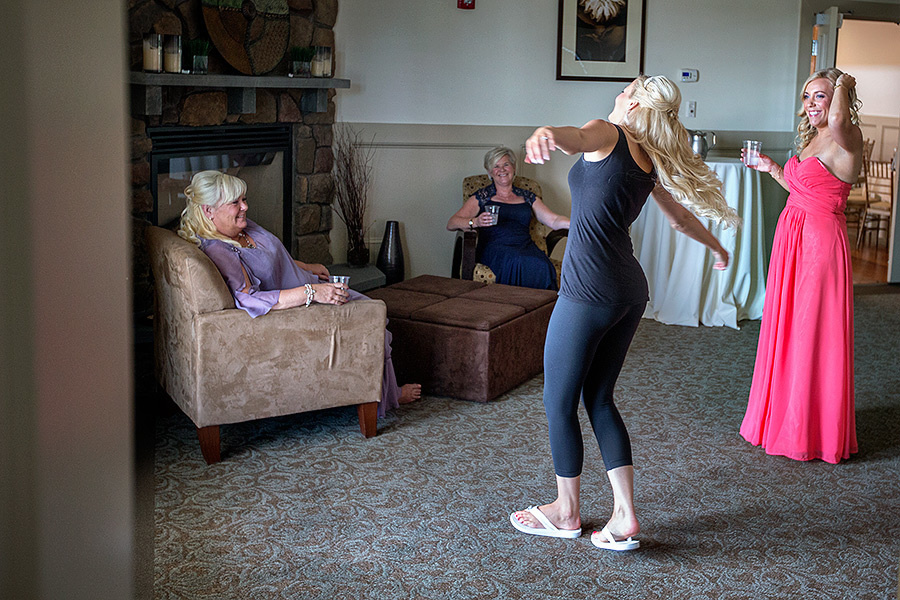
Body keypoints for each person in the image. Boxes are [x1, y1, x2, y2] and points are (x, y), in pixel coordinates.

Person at [508, 75, 739, 551]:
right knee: (598, 398)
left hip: (588, 290)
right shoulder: (646, 157)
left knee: (557, 402)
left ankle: (565, 512)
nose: (618, 92)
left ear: (633, 103)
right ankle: (625, 515)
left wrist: (548, 131)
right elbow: (679, 216)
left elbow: (577, 134)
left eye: (626, 88)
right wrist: (715, 243)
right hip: (628, 292)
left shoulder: (608, 132)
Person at [177, 170, 421, 417]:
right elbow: (251, 299)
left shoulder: (236, 227)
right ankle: (390, 395)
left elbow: (271, 257)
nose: (245, 206)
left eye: (244, 199)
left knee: (375, 313)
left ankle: (383, 389)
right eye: (235, 203)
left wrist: (304, 267)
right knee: (373, 316)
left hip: (310, 286)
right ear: (209, 211)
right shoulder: (220, 250)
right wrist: (313, 293)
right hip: (301, 308)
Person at [740, 69, 862, 464]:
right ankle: (784, 417)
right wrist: (770, 168)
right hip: (792, 239)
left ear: (839, 99)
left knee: (812, 331)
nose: (811, 104)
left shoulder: (848, 135)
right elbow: (802, 187)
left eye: (821, 96)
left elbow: (841, 119)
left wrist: (841, 79)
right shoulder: (813, 139)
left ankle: (812, 431)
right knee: (789, 327)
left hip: (819, 244)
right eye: (807, 96)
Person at [447, 146, 570, 290]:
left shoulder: (527, 196)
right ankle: (515, 308)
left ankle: (541, 311)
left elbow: (553, 220)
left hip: (525, 246)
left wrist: (576, 223)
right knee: (518, 261)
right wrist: (475, 221)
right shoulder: (482, 197)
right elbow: (452, 223)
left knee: (543, 265)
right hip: (495, 247)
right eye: (496, 166)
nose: (502, 170)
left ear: (514, 168)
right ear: (490, 172)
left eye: (506, 164)